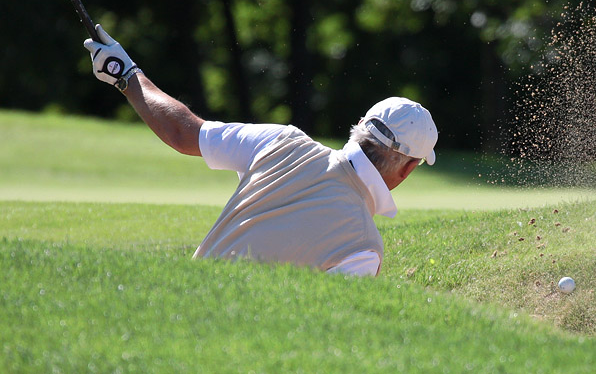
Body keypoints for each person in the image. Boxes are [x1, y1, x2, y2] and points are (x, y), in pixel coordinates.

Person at [83, 25, 438, 276]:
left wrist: (125, 74)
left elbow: (182, 132)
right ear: (407, 169)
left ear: (360, 128)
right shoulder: (363, 249)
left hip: (175, 312)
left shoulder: (281, 141)